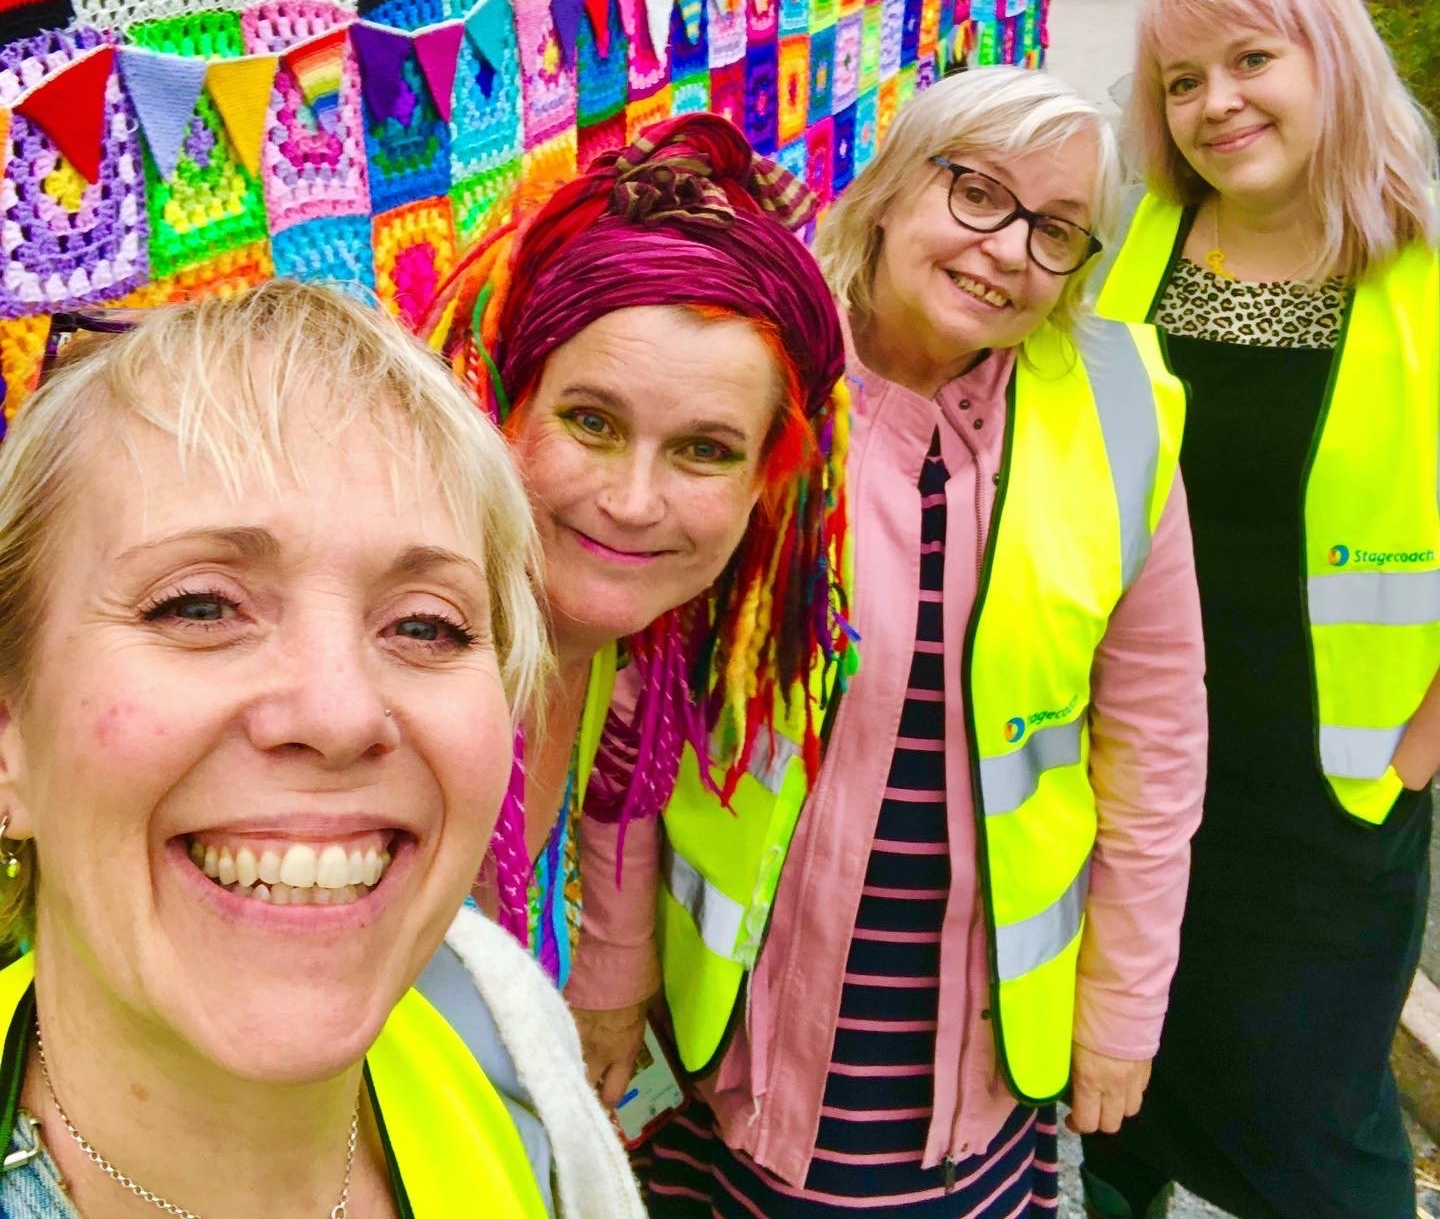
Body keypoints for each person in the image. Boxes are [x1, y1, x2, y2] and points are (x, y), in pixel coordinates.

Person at [638, 65, 1209, 1215]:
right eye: (979, 194)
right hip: (758, 1012)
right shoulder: (759, 374)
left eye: (1057, 231)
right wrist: (605, 971)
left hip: (980, 1035)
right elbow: (637, 693)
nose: (1009, 252)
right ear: (894, 188)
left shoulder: (1118, 405)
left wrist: (1123, 1012)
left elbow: (1158, 747)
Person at [0, 282, 645, 1218]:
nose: (341, 713)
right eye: (200, 606)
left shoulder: (500, 1030)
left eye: (427, 626)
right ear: (11, 735)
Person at [1081, 0, 1440, 1219]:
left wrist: (1413, 756)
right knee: (1113, 1107)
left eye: (1250, 58)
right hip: (1127, 779)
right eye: (1182, 80)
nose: (1216, 103)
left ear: (1332, 59)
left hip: (1322, 815)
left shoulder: (1422, 275)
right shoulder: (1133, 251)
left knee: (1314, 1137)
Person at [428, 113, 852, 1099]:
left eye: (705, 449)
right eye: (591, 421)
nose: (632, 502)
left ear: (765, 485)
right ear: (507, 405)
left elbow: (620, 804)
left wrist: (613, 984)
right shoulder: (399, 674)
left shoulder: (630, 651)